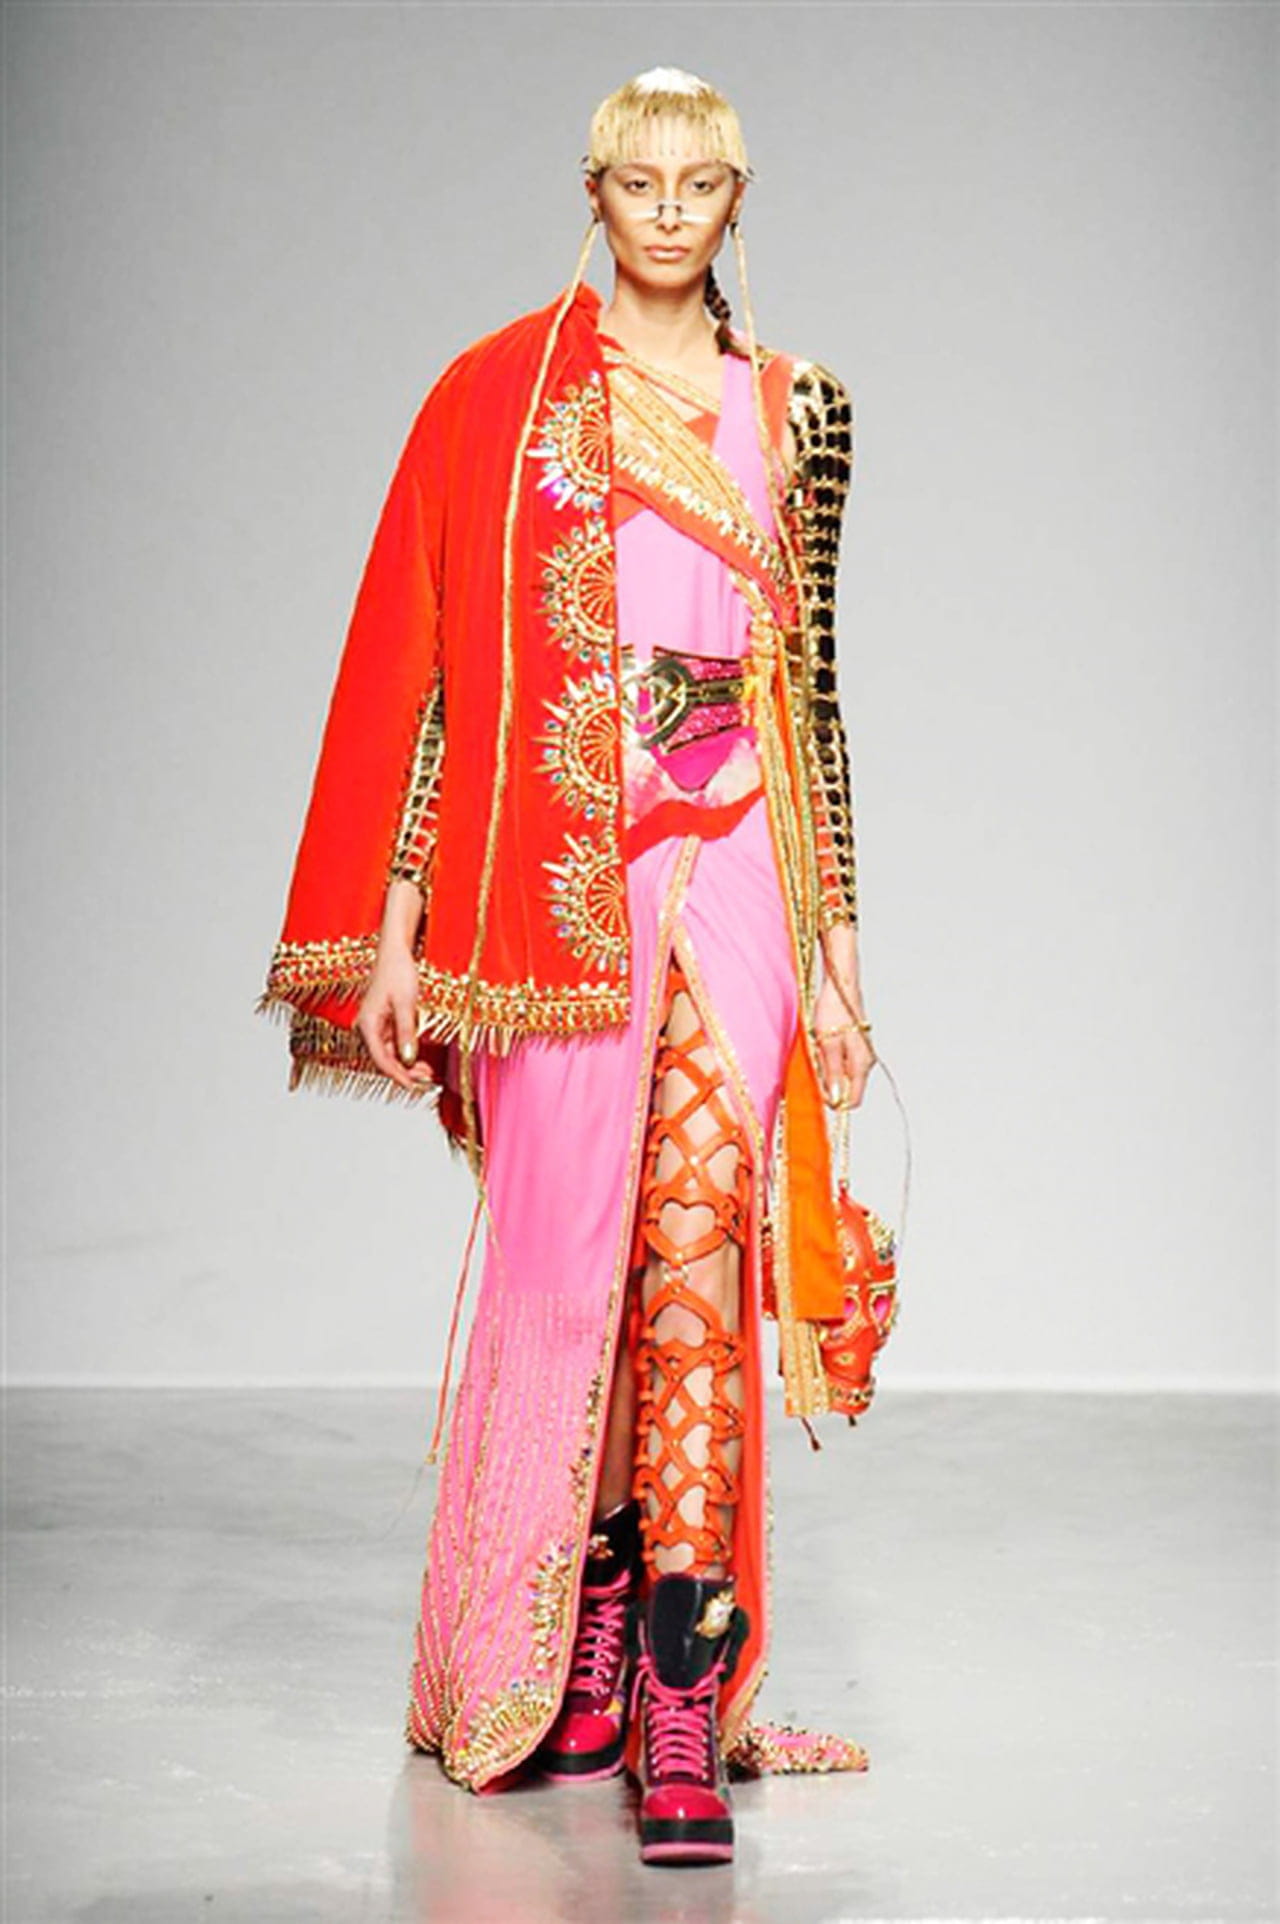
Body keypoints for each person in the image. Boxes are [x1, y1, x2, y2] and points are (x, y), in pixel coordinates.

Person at [259, 66, 878, 1868]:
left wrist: (843, 957)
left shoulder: (803, 407)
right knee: (576, 1258)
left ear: (740, 198)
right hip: (558, 880)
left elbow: (811, 690)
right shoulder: (504, 398)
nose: (669, 208)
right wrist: (394, 924)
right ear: (592, 193)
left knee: (695, 1237)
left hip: (739, 860)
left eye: (701, 181)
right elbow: (438, 675)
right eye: (638, 179)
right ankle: (579, 1624)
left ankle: (682, 1684)